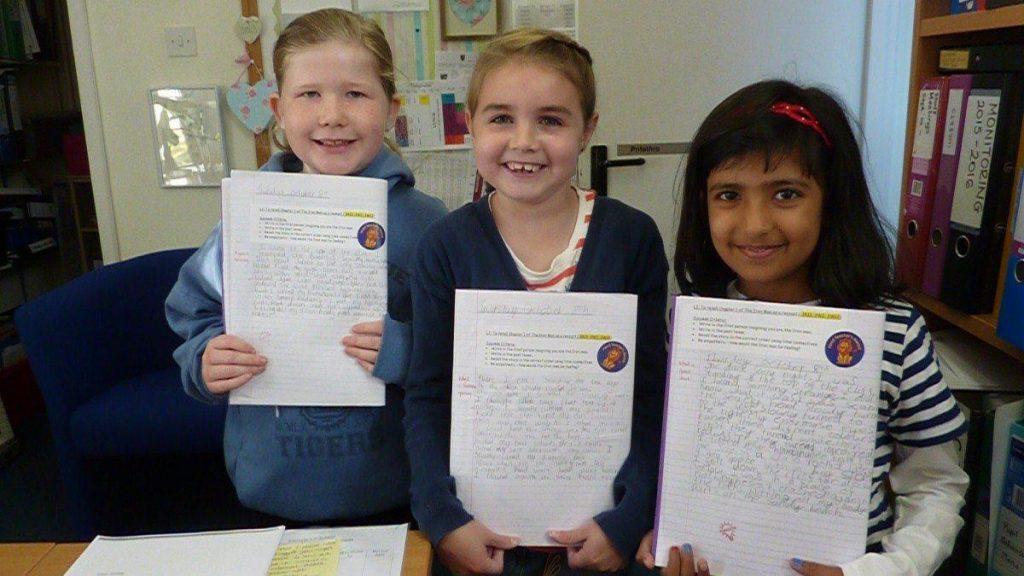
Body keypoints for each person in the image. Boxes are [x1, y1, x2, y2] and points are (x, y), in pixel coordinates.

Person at [636, 80, 969, 576]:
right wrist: (662, 530)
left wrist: (883, 571)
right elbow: (676, 458)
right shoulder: (687, 320)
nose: (755, 224)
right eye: (729, 195)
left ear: (831, 200)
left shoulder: (894, 331)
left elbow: (935, 485)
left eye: (786, 193)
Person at [164, 8, 446, 524]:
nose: (332, 114)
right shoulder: (246, 215)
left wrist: (406, 351)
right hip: (269, 490)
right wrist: (204, 358)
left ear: (391, 108)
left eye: (355, 94)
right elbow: (191, 308)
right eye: (309, 94)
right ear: (278, 109)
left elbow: (459, 348)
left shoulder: (428, 224)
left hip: (393, 492)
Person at [403, 28, 668, 575]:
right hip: (482, 541)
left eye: (550, 120)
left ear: (587, 129)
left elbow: (649, 394)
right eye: (501, 118)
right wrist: (443, 521)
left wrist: (629, 520)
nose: (524, 141)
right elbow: (428, 395)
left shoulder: (631, 238)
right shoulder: (444, 247)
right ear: (470, 124)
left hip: (604, 541)